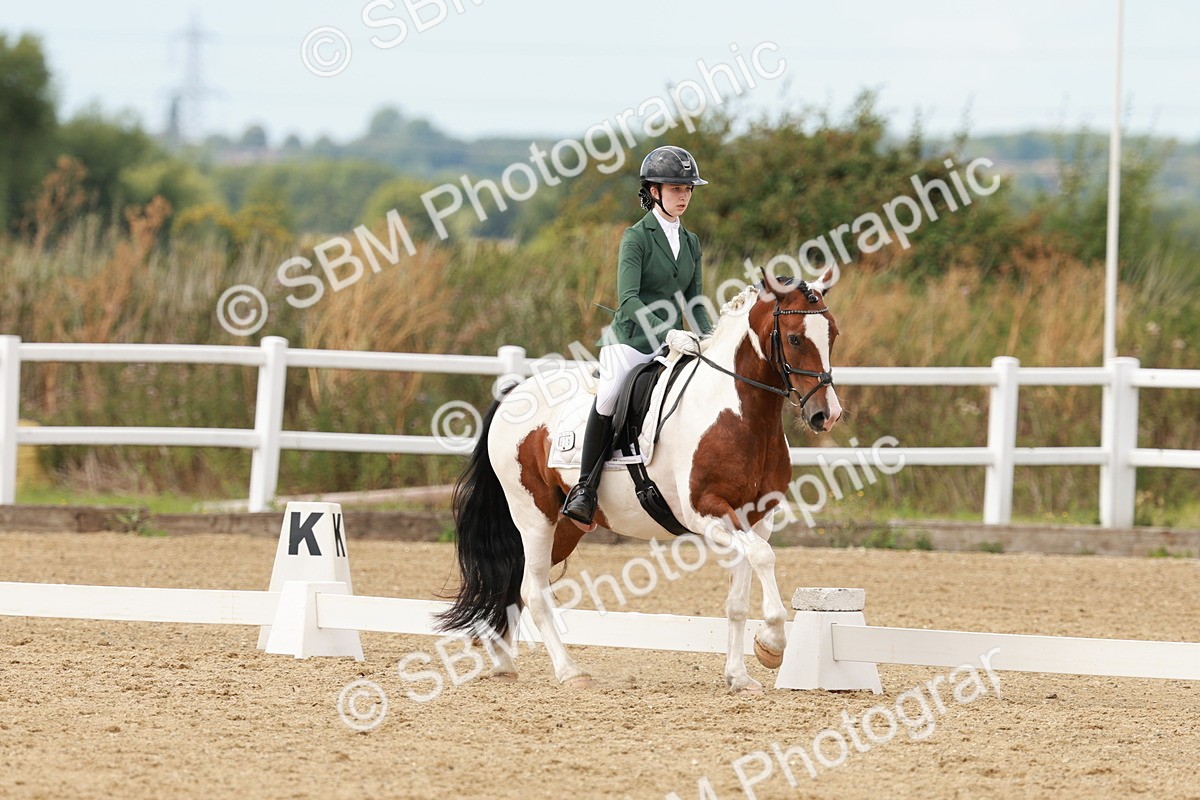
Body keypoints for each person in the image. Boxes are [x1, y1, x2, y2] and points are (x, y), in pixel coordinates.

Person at [561, 145, 715, 529]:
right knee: (611, 394)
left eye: (688, 189)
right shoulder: (636, 237)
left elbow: (694, 299)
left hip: (674, 341)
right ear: (654, 191)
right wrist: (670, 333)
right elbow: (627, 300)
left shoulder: (692, 242)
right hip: (630, 340)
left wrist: (711, 338)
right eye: (675, 188)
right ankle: (584, 488)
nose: (683, 196)